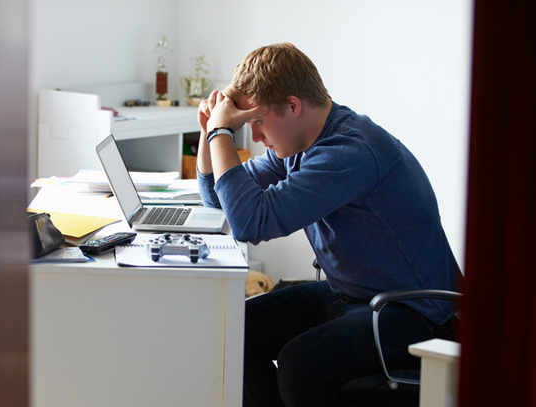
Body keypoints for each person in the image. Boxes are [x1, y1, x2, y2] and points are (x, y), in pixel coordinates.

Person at [195, 42, 461, 407]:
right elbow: (219, 203)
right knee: (231, 331)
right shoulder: (299, 142)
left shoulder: (349, 152)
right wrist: (209, 130)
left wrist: (221, 134)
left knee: (299, 365)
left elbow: (249, 223)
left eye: (257, 122)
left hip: (416, 312)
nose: (254, 136)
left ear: (293, 106)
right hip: (354, 294)